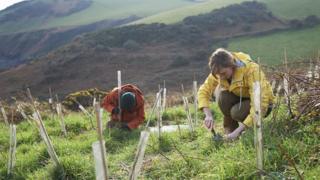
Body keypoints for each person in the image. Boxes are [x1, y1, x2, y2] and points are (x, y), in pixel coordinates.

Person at [198, 48, 274, 140]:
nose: (221, 77)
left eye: (223, 73)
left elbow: (260, 105)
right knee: (223, 97)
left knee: (236, 112)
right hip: (244, 98)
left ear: (231, 65)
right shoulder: (219, 71)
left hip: (264, 105)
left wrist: (238, 131)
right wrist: (208, 115)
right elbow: (203, 91)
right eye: (218, 74)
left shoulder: (251, 70)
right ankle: (230, 131)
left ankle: (243, 131)